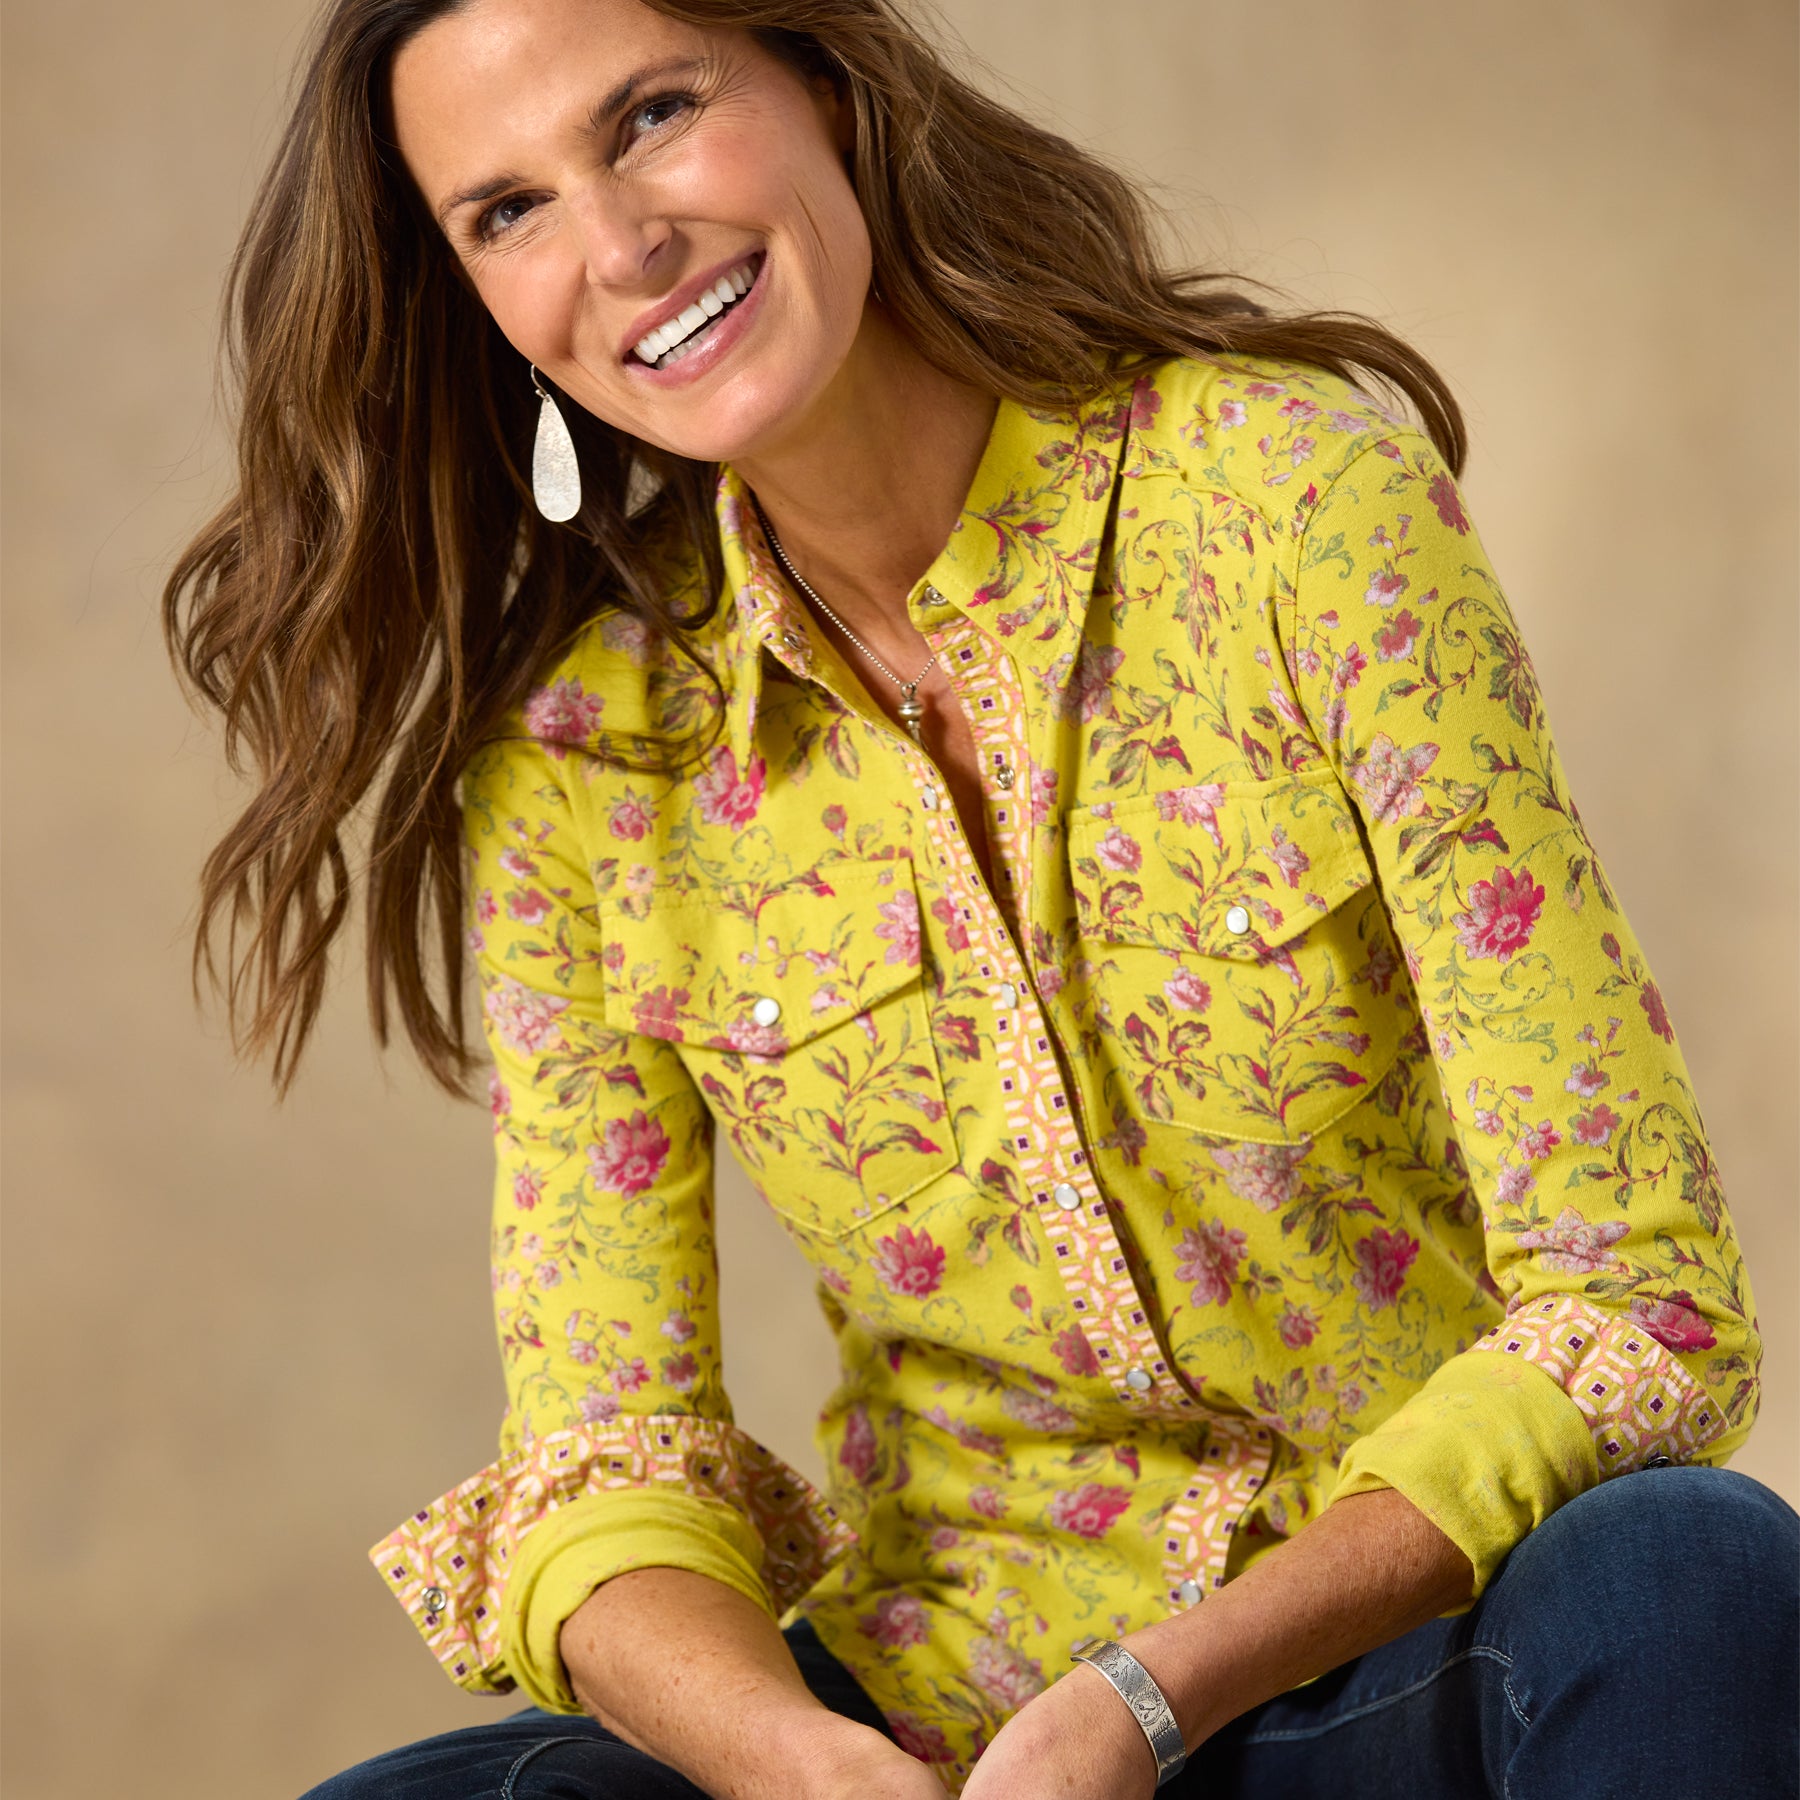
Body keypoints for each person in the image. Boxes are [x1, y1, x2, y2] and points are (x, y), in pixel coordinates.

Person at [163, 1, 1797, 1795]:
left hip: (1403, 1669)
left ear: (827, 85)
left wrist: (1147, 1700)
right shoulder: (585, 761)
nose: (619, 247)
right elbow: (604, 1459)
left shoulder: (1295, 509)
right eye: (508, 211)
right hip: (942, 1718)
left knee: (1688, 1573)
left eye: (650, 116)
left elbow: (1643, 1305)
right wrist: (803, 1765)